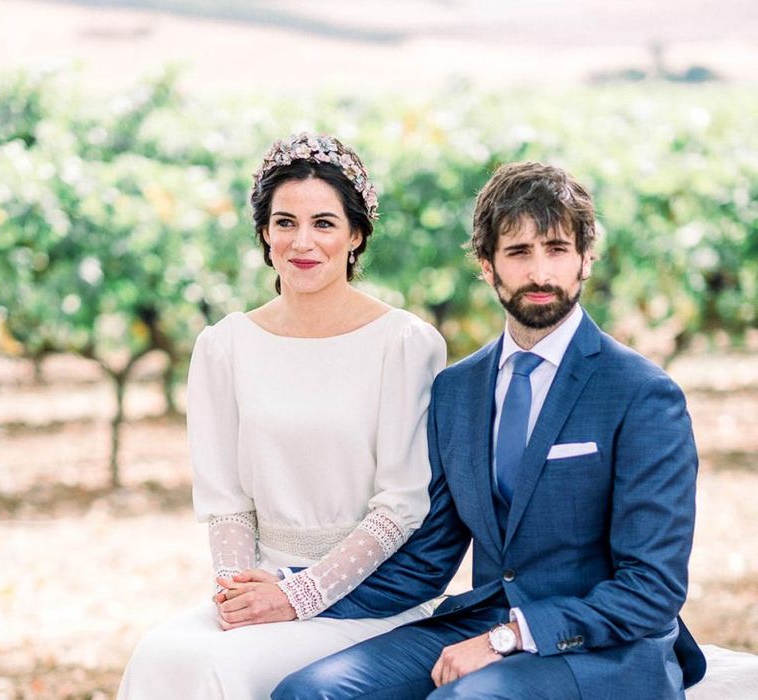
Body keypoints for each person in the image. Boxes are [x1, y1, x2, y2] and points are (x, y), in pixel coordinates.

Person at [273, 161, 708, 699]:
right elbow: (426, 561)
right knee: (310, 692)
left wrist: (511, 637)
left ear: (585, 260)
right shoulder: (457, 390)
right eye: (518, 253)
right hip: (482, 620)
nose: (540, 273)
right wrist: (295, 589)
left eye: (556, 249)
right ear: (487, 265)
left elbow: (652, 589)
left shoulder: (641, 394)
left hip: (604, 651)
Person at [117, 133, 458, 699]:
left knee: (220, 669)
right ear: (264, 234)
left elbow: (400, 508)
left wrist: (297, 596)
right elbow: (226, 503)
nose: (303, 242)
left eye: (324, 223)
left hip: (366, 598)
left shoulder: (404, 343)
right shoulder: (224, 346)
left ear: (356, 235)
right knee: (159, 655)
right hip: (261, 585)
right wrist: (236, 594)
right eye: (285, 222)